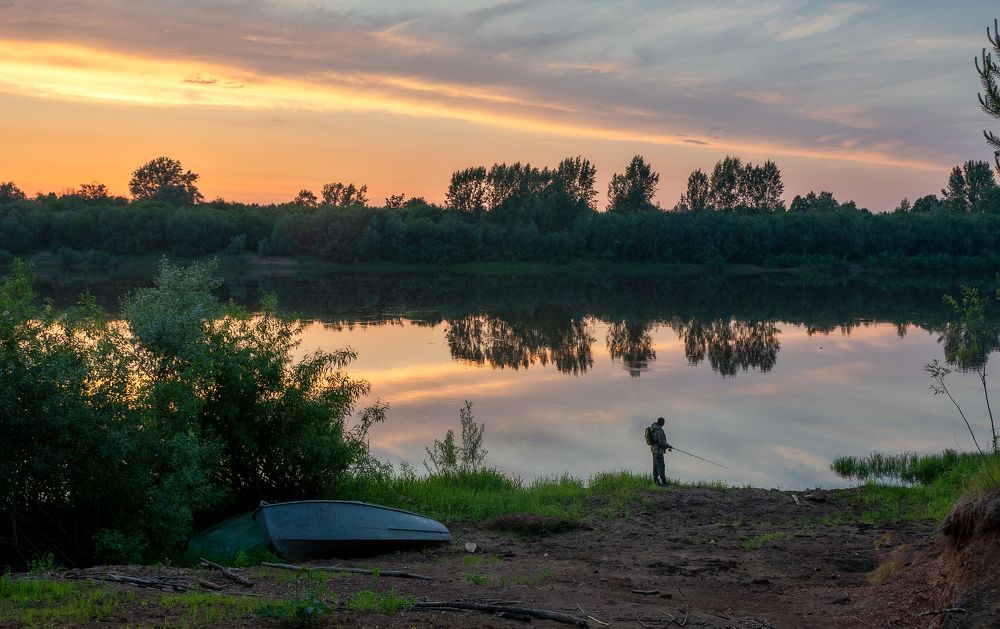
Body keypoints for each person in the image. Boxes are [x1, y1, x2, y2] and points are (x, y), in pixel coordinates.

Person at [649, 417, 673, 486]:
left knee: (655, 465)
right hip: (658, 451)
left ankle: (655, 480)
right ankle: (663, 482)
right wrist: (668, 446)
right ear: (662, 423)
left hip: (653, 450)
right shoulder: (659, 430)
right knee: (661, 466)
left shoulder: (652, 427)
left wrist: (667, 446)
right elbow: (661, 443)